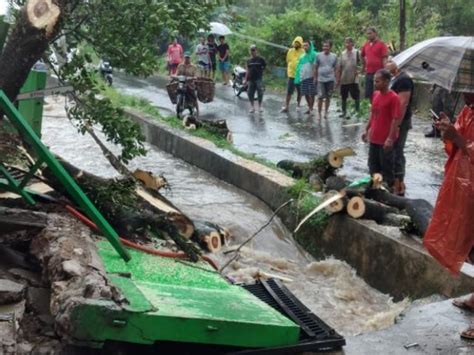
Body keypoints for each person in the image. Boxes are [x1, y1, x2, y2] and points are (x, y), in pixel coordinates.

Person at [423, 92, 474, 340]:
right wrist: (448, 132)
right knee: (470, 246)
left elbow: (466, 145)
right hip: (464, 188)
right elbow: (455, 146)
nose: (465, 93)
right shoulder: (468, 110)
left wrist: (460, 141)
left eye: (469, 88)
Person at [361, 69, 401, 187]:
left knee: (386, 167)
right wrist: (367, 130)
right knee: (373, 165)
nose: (374, 83)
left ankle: (388, 191)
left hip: (385, 140)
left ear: (386, 82)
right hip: (374, 137)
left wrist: (390, 138)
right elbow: (373, 114)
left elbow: (395, 119)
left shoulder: (393, 98)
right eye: (374, 81)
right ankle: (375, 188)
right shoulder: (375, 95)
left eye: (377, 81)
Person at [386, 60, 414, 196]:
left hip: (400, 122)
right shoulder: (395, 78)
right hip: (392, 120)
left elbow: (402, 104)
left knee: (397, 150)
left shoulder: (404, 80)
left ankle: (399, 183)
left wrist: (396, 125)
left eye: (390, 61)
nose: (387, 63)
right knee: (391, 151)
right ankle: (392, 181)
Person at [361, 27, 388, 101]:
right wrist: (363, 66)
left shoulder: (381, 44)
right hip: (369, 72)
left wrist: (385, 71)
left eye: (370, 33)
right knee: (368, 93)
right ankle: (371, 109)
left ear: (375, 33)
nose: (368, 35)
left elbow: (384, 58)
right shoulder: (366, 45)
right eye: (367, 34)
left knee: (378, 93)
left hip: (378, 73)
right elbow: (362, 55)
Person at [336, 37, 361, 118]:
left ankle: (357, 111)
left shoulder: (357, 52)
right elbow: (339, 67)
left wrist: (360, 71)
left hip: (353, 78)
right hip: (344, 78)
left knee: (356, 95)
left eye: (348, 43)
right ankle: (344, 112)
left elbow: (363, 63)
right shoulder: (342, 54)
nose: (346, 44)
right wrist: (338, 79)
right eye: (345, 43)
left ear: (352, 43)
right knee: (344, 96)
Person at [281, 36, 304, 113]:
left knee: (299, 92)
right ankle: (286, 106)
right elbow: (288, 61)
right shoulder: (290, 51)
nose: (296, 44)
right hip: (291, 75)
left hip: (300, 76)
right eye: (295, 42)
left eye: (298, 43)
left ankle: (298, 105)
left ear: (301, 44)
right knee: (289, 92)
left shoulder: (303, 52)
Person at [315, 40, 337, 119]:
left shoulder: (334, 56)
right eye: (324, 46)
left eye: (327, 46)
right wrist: (315, 78)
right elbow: (315, 67)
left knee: (328, 97)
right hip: (320, 79)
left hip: (330, 80)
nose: (325, 48)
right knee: (320, 97)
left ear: (330, 47)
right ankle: (319, 113)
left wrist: (336, 80)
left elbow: (336, 68)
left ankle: (326, 112)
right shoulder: (318, 55)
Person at [295, 40, 317, 115]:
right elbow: (299, 68)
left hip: (312, 77)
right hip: (304, 78)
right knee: (306, 93)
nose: (305, 47)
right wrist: (298, 78)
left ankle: (311, 109)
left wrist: (315, 77)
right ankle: (309, 107)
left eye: (306, 45)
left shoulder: (314, 55)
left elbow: (315, 66)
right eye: (304, 45)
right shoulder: (302, 56)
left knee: (312, 94)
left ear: (310, 46)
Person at [245, 45, 266, 113]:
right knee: (250, 93)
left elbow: (264, 67)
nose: (252, 51)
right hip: (251, 79)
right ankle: (252, 107)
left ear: (256, 50)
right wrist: (245, 79)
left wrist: (262, 74)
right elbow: (247, 70)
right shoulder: (248, 60)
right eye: (251, 50)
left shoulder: (261, 59)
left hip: (258, 79)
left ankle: (260, 107)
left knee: (260, 92)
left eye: (253, 50)